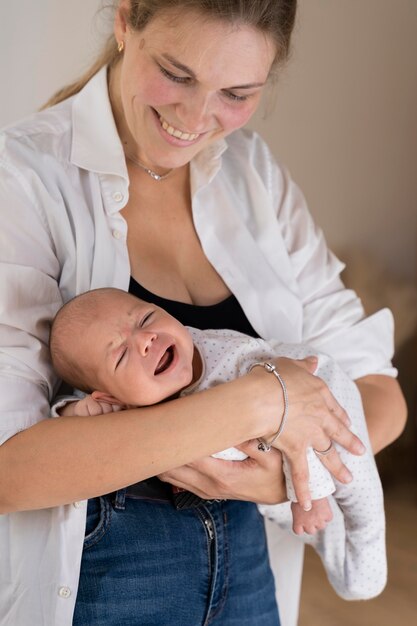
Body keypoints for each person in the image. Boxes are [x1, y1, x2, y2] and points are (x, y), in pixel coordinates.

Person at [0, 1, 406, 625]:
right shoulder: (22, 178)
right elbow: (9, 469)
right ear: (126, 20)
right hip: (105, 581)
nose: (195, 119)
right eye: (178, 73)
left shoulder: (254, 176)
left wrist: (274, 482)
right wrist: (262, 402)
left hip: (251, 569)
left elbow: (378, 393)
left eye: (237, 92)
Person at [50, 287, 388, 601]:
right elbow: (72, 428)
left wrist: (310, 493)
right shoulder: (132, 399)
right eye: (122, 355)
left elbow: (287, 409)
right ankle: (339, 551)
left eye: (146, 319)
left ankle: (368, 566)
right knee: (302, 517)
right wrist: (78, 410)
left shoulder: (221, 358)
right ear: (110, 395)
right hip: (252, 473)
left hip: (319, 394)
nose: (145, 340)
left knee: (355, 487)